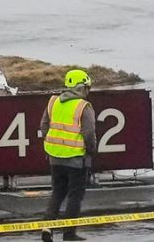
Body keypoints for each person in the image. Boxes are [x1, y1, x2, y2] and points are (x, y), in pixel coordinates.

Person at [39, 69, 96, 242]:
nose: (88, 92)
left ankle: (47, 228)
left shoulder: (53, 102)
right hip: (77, 159)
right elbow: (89, 134)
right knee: (74, 196)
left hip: (54, 157)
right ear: (82, 88)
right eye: (87, 88)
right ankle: (69, 234)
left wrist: (52, 145)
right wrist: (91, 152)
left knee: (57, 192)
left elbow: (44, 126)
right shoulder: (83, 107)